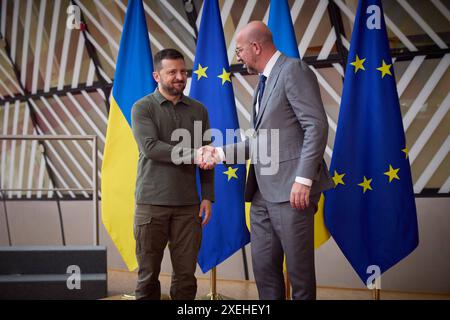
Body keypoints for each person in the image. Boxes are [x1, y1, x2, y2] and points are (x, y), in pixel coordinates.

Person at [199, 21, 334, 300]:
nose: (237, 56)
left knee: (298, 274)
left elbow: (316, 126)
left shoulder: (293, 71)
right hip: (261, 195)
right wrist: (220, 153)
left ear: (256, 47)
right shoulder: (264, 83)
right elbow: (264, 143)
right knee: (264, 269)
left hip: (292, 193)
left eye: (239, 50)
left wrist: (303, 179)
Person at [131, 48, 214, 300]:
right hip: (151, 205)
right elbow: (151, 148)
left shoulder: (199, 110)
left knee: (186, 278)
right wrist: (195, 154)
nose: (180, 76)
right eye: (172, 72)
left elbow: (207, 156)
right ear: (157, 75)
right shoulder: (142, 108)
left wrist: (208, 196)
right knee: (147, 277)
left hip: (188, 206)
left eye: (183, 71)